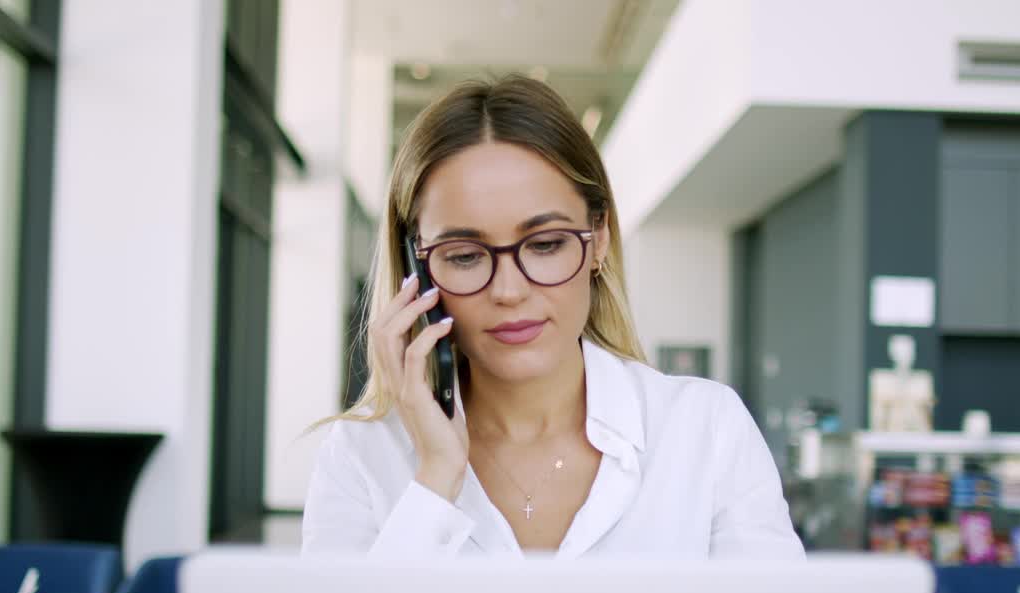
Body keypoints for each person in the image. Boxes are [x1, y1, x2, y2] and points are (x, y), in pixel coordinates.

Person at [302, 74, 803, 560]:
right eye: (464, 255)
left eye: (545, 245)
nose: (508, 291)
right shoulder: (363, 454)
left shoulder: (704, 430)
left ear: (599, 238)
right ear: (417, 269)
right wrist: (435, 478)